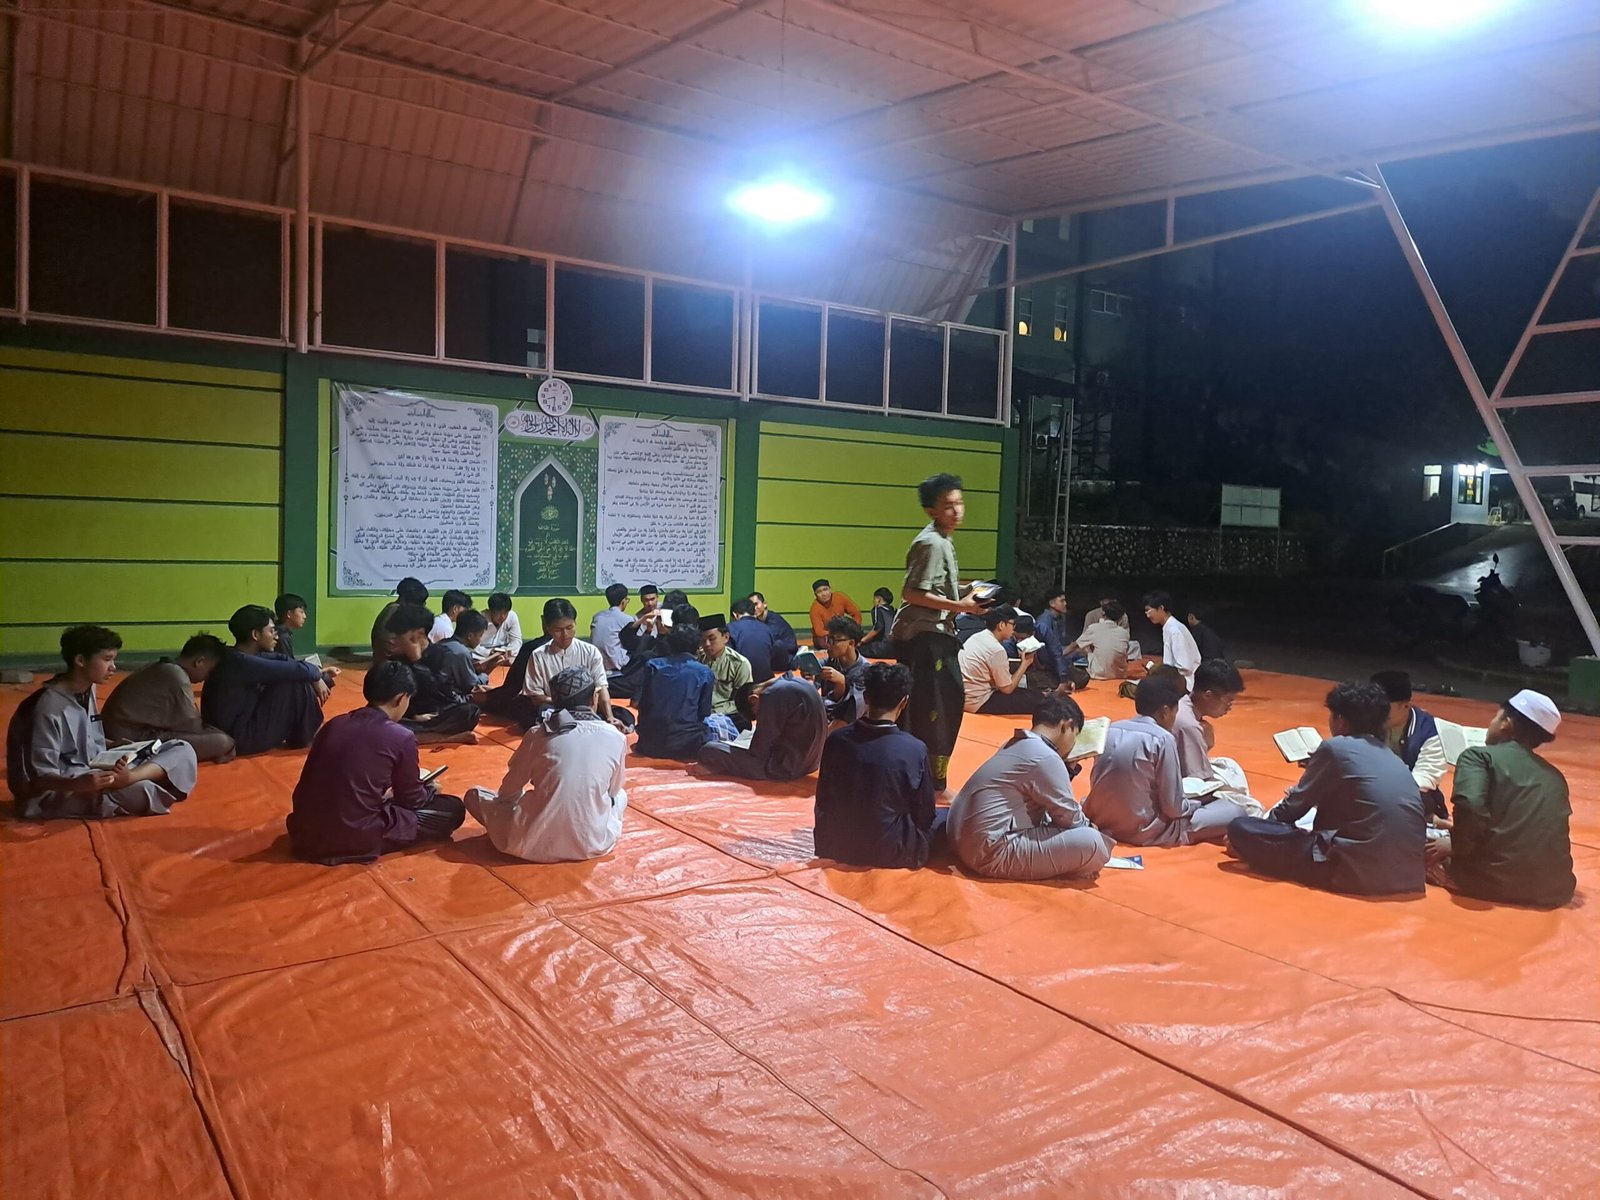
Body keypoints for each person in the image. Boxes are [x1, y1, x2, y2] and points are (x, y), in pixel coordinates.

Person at [1227, 682, 1426, 895]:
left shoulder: (1334, 747)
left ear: (1340, 720)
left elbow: (1293, 808)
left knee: (1241, 827)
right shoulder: (1392, 757)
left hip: (1353, 871)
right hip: (1408, 876)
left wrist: (1261, 833)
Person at [8, 625, 198, 819]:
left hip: (95, 765)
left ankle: (130, 778)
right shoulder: (46, 706)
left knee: (181, 748)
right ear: (80, 661)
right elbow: (37, 777)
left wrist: (113, 745)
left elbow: (82, 739)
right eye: (107, 659)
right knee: (143, 791)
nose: (113, 667)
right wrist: (79, 784)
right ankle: (142, 780)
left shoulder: (87, 688)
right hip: (59, 789)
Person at [285, 661, 465, 865]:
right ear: (401, 698)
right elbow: (412, 800)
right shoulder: (401, 736)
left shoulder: (334, 724)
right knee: (452, 808)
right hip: (353, 835)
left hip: (303, 833)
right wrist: (430, 790)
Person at [1426, 690, 1574, 908]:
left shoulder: (1478, 756)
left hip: (1489, 882)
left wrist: (1454, 845)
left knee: (1404, 842)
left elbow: (1471, 806)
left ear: (1506, 723)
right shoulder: (1555, 776)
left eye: (1495, 716)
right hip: (1554, 889)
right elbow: (1520, 826)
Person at [466, 667, 629, 862]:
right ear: (594, 699)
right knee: (621, 795)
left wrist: (512, 808)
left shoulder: (538, 734)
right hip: (593, 844)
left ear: (555, 702)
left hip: (532, 846)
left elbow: (509, 792)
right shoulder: (616, 736)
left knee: (475, 795)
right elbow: (613, 791)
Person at [948, 694, 1115, 881]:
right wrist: (1090, 827)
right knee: (1093, 843)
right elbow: (1070, 819)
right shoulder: (1045, 756)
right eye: (1075, 736)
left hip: (962, 842)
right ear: (1066, 726)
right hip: (989, 853)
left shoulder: (1016, 743)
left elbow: (1048, 803)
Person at [889, 473, 987, 791]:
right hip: (924, 637)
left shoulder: (942, 539)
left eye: (959, 503)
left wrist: (970, 590)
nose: (956, 510)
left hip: (935, 636)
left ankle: (924, 776)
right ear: (931, 510)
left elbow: (936, 587)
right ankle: (921, 777)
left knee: (939, 706)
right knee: (932, 709)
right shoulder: (930, 543)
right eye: (948, 505)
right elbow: (912, 593)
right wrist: (962, 606)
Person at [1084, 674, 1249, 846]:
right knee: (1235, 811)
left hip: (1102, 821)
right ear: (1165, 712)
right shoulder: (1163, 738)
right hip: (1144, 830)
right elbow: (1173, 808)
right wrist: (1195, 804)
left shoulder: (1110, 730)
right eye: (1174, 713)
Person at [813, 663, 943, 868]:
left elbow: (824, 799)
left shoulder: (836, 739)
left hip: (835, 844)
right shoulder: (913, 749)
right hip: (889, 851)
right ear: (904, 702)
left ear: (865, 697)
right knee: (948, 819)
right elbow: (925, 812)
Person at [202, 605, 328, 756]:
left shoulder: (239, 655)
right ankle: (308, 735)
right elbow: (301, 671)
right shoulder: (241, 662)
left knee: (297, 676)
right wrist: (316, 676)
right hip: (238, 738)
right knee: (294, 683)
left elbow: (284, 659)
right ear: (255, 635)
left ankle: (307, 732)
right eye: (271, 631)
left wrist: (316, 677)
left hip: (237, 726)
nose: (276, 636)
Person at [101, 632, 237, 762]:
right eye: (210, 671)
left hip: (120, 731)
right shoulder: (177, 676)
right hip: (129, 740)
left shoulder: (164, 667)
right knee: (223, 742)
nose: (208, 677)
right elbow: (193, 727)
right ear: (199, 662)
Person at [378, 604, 481, 744]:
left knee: (470, 712)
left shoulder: (442, 655)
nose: (390, 641)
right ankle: (433, 736)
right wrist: (414, 716)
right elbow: (380, 704)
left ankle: (412, 732)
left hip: (433, 715)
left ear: (417, 635)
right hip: (403, 716)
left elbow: (448, 695)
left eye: (396, 636)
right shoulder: (393, 663)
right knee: (379, 723)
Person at [522, 598, 627, 730]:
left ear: (575, 623)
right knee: (536, 716)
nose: (565, 634)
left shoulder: (590, 651)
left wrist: (609, 717)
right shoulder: (538, 655)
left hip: (587, 709)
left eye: (569, 627)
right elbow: (536, 696)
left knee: (623, 715)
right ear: (548, 628)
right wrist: (565, 703)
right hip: (555, 708)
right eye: (558, 630)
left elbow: (601, 687)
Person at [696, 675, 826, 781]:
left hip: (786, 768)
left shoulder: (771, 696)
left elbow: (758, 751)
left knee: (709, 749)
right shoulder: (797, 681)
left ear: (753, 700)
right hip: (812, 763)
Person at [634, 608, 724, 759]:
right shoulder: (704, 672)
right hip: (687, 746)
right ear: (697, 646)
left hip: (649, 744)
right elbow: (704, 713)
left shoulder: (653, 665)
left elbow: (643, 705)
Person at [1173, 660, 1262, 811]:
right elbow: (1196, 781)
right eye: (1228, 700)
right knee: (1250, 808)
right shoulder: (1190, 725)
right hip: (1175, 796)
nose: (1229, 706)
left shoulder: (1181, 704)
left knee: (1228, 765)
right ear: (1208, 695)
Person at [1371, 670, 1449, 821]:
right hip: (1373, 791)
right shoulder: (1366, 720)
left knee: (1420, 798)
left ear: (1405, 705)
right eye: (1373, 705)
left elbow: (1424, 778)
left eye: (1384, 707)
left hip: (1409, 800)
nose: (1376, 712)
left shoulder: (1431, 731)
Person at [959, 605, 1041, 715]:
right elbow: (1007, 689)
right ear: (1001, 625)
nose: (1014, 629)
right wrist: (1025, 664)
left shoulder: (977, 636)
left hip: (964, 697)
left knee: (1029, 694)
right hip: (978, 701)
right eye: (1012, 624)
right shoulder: (995, 649)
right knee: (1036, 701)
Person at [422, 609, 490, 698]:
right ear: (470, 636)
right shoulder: (461, 652)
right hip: (446, 700)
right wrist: (487, 672)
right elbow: (472, 686)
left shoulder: (442, 643)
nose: (480, 639)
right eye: (480, 635)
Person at [698, 614, 754, 717]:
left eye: (712, 639)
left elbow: (742, 701)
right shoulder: (697, 660)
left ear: (726, 637)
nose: (707, 644)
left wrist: (714, 713)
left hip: (727, 715)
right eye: (703, 640)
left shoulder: (739, 664)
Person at [819, 615, 869, 728]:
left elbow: (852, 712)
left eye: (833, 640)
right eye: (828, 639)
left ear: (851, 643)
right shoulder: (828, 662)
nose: (828, 644)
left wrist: (842, 682)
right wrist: (808, 679)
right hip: (828, 719)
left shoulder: (866, 671)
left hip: (854, 727)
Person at [1143, 590, 1200, 689]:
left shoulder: (1174, 630)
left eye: (1148, 610)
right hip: (1175, 678)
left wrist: (1161, 672)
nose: (1147, 615)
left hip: (1184, 683)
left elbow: (1184, 667)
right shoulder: (1170, 627)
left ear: (1161, 608)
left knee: (1141, 688)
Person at [1064, 601, 1131, 681]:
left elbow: (1074, 646)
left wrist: (1059, 656)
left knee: (1081, 650)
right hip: (1119, 674)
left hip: (1098, 674)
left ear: (1103, 613)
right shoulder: (1124, 633)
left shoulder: (1094, 628)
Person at [371, 577, 428, 660]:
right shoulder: (400, 612)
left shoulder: (391, 608)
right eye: (419, 603)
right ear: (405, 599)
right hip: (392, 663)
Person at [726, 599, 777, 684]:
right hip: (766, 681)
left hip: (742, 682)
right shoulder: (767, 628)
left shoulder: (730, 628)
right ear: (754, 612)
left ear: (735, 614)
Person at [749, 591, 798, 672]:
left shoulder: (774, 620)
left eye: (756, 604)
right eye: (751, 606)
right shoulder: (756, 620)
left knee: (774, 644)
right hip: (772, 656)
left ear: (765, 604)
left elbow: (766, 640)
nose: (754, 608)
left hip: (787, 654)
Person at [590, 584, 632, 674]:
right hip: (617, 665)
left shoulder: (597, 617)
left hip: (597, 664)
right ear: (623, 601)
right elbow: (637, 642)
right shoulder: (627, 619)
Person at [474, 593, 522, 670]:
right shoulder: (479, 619)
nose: (502, 617)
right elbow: (473, 646)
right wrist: (489, 652)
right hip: (484, 656)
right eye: (499, 613)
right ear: (490, 611)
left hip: (504, 655)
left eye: (505, 613)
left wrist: (507, 650)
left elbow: (516, 640)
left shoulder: (512, 616)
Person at [1034, 590, 1073, 681]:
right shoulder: (1044, 622)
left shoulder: (1060, 618)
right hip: (1049, 661)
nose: (1065, 603)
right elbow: (1048, 650)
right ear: (1052, 603)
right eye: (1062, 601)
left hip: (1058, 655)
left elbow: (1063, 640)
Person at [809, 579, 862, 647]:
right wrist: (838, 634)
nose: (823, 594)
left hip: (843, 631)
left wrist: (854, 628)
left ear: (830, 589)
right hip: (827, 636)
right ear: (815, 595)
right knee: (824, 641)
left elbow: (856, 613)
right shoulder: (815, 609)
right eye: (819, 592)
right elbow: (819, 632)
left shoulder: (840, 597)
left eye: (825, 589)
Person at [861, 587, 897, 658]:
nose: (873, 601)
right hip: (895, 648)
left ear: (879, 599)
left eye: (874, 598)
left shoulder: (878, 609)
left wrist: (862, 640)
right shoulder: (893, 610)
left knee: (857, 650)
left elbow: (878, 627)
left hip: (882, 647)